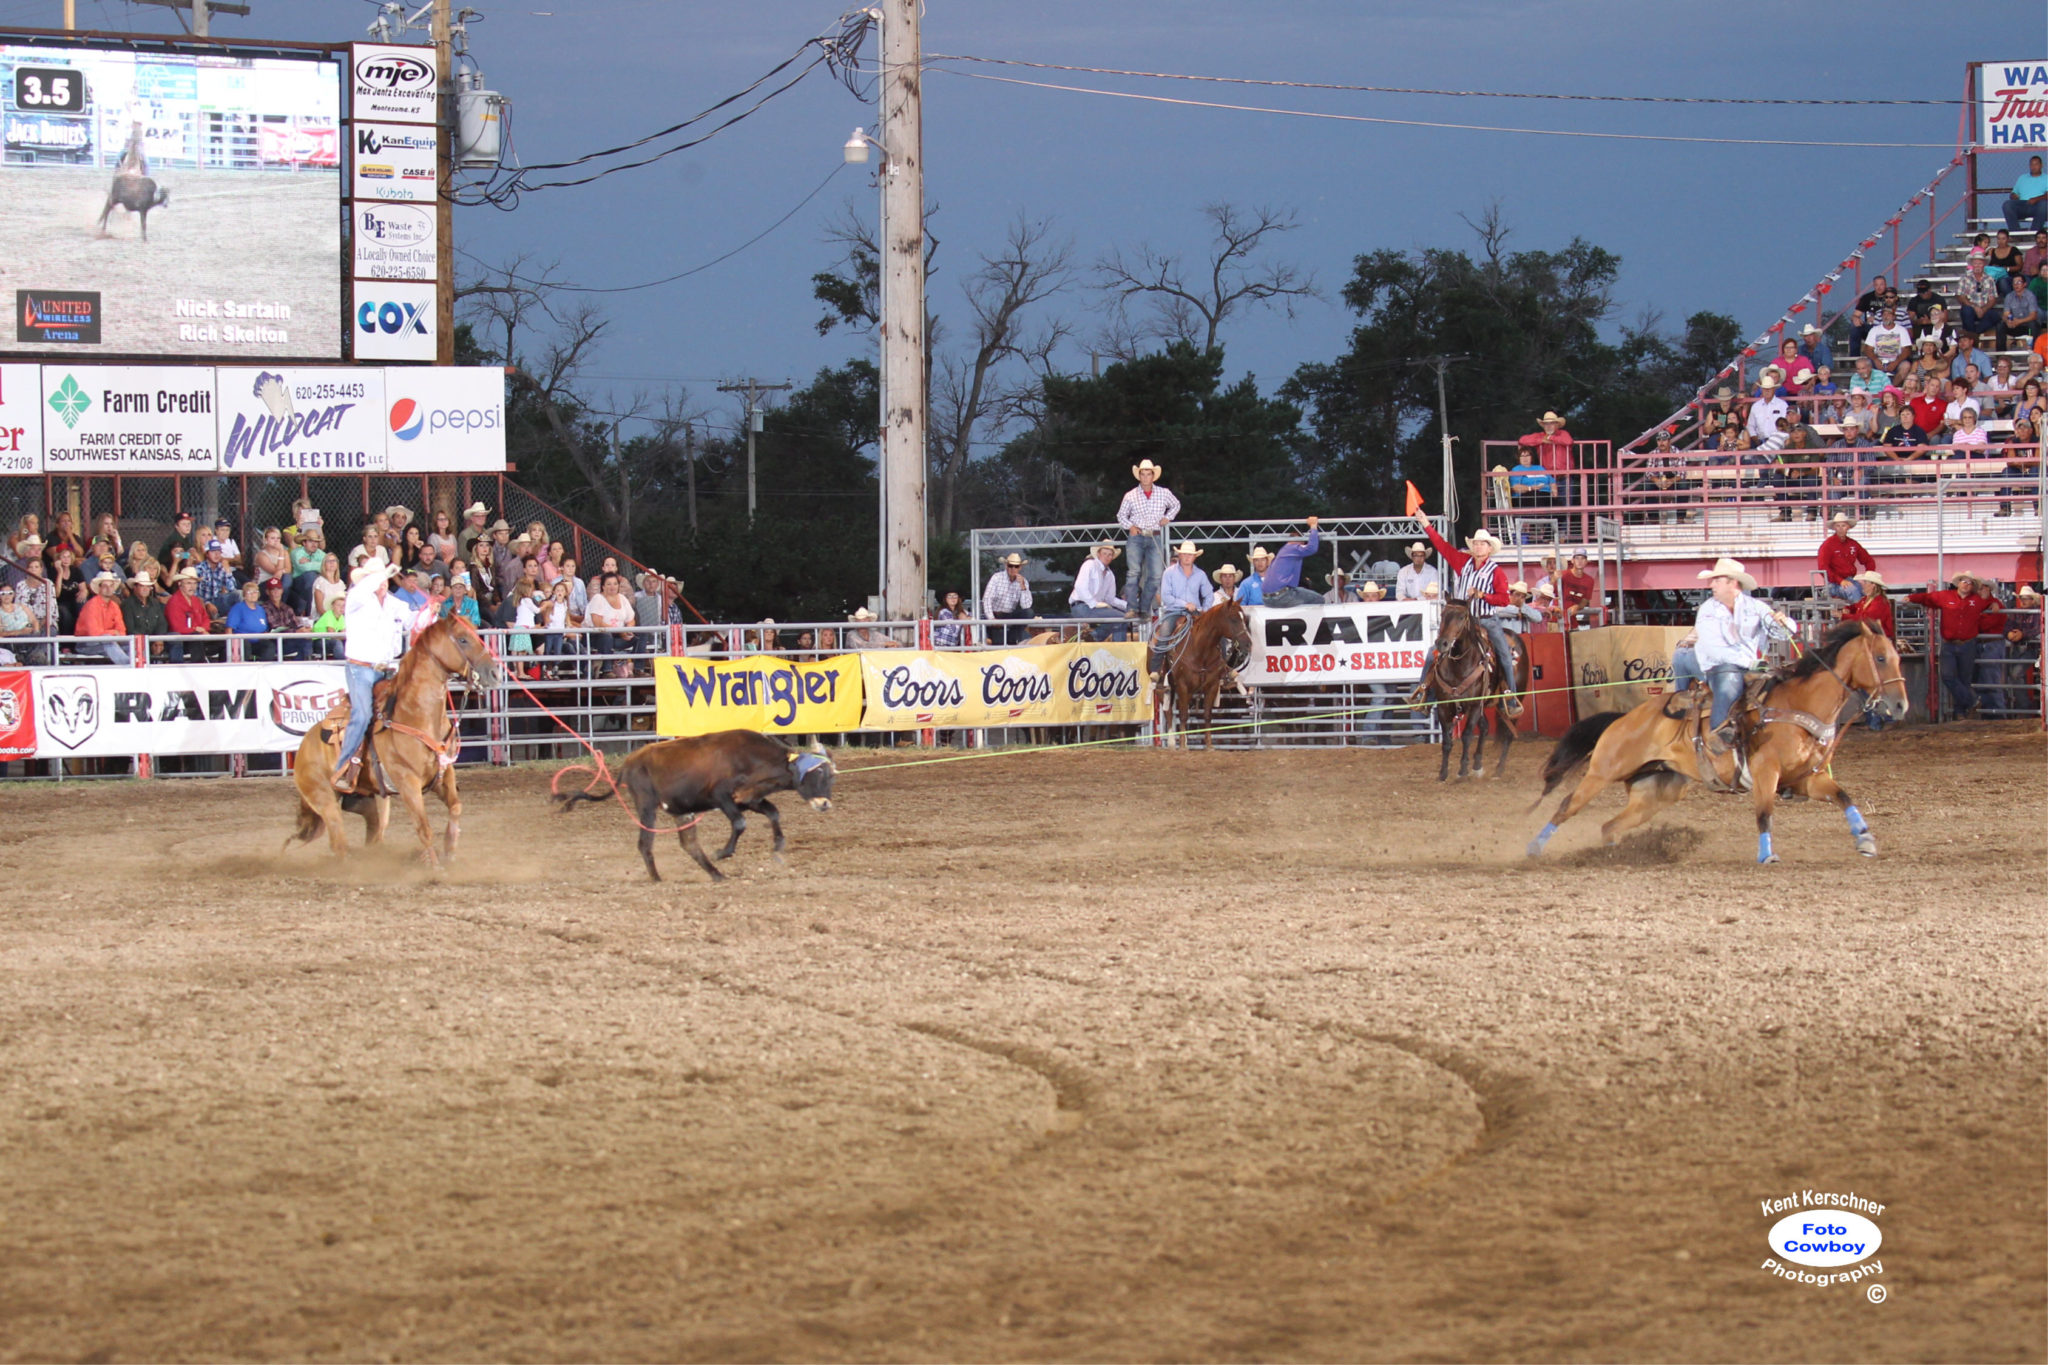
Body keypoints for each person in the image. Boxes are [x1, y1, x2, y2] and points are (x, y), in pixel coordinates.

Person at [1668, 557, 1795, 754]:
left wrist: (1784, 623)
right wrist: (1751, 662)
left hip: (1746, 664)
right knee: (1728, 679)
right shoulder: (1708, 610)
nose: (1712, 585)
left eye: (1717, 580)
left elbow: (1781, 633)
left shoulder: (1757, 607)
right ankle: (1719, 732)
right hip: (1714, 666)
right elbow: (1715, 651)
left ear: (1732, 583)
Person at [1413, 520, 1522, 717]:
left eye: (1482, 543)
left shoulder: (1496, 571)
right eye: (1476, 543)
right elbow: (1441, 545)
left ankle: (1510, 697)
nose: (1478, 546)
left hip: (1486, 619)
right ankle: (1423, 692)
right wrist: (1425, 523)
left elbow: (1504, 599)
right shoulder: (1463, 562)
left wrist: (1483, 595)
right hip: (1462, 621)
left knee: (1504, 654)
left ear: (1489, 548)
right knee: (1434, 652)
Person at [333, 560, 403, 792]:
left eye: (383, 579)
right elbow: (367, 586)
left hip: (385, 669)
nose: (382, 583)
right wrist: (383, 572)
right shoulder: (356, 597)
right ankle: (343, 767)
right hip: (359, 668)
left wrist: (430, 612)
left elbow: (415, 619)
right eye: (378, 578)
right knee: (362, 715)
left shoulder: (393, 603)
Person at [1909, 570, 2006, 719]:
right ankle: (1971, 701)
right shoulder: (1945, 596)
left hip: (1967, 644)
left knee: (1963, 678)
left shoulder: (1978, 600)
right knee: (1948, 675)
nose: (1966, 585)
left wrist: (1993, 603)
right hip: (1950, 643)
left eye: (1969, 583)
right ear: (1959, 583)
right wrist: (1911, 597)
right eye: (1964, 581)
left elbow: (1991, 602)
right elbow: (1927, 598)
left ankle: (1960, 712)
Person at [1115, 459, 1179, 617]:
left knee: (1156, 574)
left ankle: (1144, 607)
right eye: (1142, 474)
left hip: (1154, 535)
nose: (1145, 477)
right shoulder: (1130, 495)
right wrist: (1130, 526)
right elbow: (1121, 515)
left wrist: (1168, 517)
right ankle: (1131, 607)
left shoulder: (1164, 493)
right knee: (1134, 572)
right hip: (1137, 536)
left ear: (1153, 476)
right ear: (1139, 476)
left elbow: (1176, 504)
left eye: (1148, 474)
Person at [1150, 541, 1214, 679]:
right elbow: (1166, 596)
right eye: (1184, 554)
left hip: (1195, 612)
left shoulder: (1200, 574)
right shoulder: (1169, 573)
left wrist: (1205, 610)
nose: (1187, 557)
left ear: (1194, 557)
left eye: (1190, 555)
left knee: (1214, 633)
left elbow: (1209, 594)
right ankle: (1156, 670)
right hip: (1174, 611)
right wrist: (1185, 604)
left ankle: (1223, 668)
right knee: (1164, 633)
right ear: (1179, 555)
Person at [1247, 517, 1322, 607]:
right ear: (1300, 541)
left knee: (1299, 593)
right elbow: (1312, 548)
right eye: (1303, 542)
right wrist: (1313, 526)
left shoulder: (1283, 551)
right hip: (1281, 596)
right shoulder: (1294, 548)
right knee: (1319, 599)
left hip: (1266, 599)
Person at [1067, 541, 1129, 641]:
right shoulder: (1090, 564)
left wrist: (1129, 607)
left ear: (1112, 557)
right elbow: (1080, 586)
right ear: (1098, 554)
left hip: (1091, 608)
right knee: (1120, 618)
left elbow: (1110, 599)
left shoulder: (1110, 575)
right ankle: (1098, 639)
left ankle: (1092, 638)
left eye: (1110, 554)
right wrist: (1094, 603)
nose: (1107, 557)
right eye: (1104, 553)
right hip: (1081, 606)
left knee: (1119, 618)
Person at [1815, 512, 1877, 603]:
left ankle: (1864, 614)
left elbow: (1869, 561)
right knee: (1854, 591)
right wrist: (1840, 581)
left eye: (1843, 525)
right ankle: (1859, 615)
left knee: (1869, 591)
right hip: (1834, 584)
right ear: (1834, 528)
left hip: (1850, 580)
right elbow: (1823, 567)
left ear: (1848, 527)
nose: (1840, 529)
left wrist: (1868, 578)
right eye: (1838, 526)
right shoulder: (1827, 545)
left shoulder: (1853, 544)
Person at [74, 571, 133, 666]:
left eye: (111, 586)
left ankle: (138, 665)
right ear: (99, 588)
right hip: (86, 643)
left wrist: (112, 634)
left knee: (132, 643)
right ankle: (128, 666)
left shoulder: (114, 606)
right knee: (108, 640)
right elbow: (94, 634)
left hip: (108, 642)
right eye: (105, 586)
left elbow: (122, 632)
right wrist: (113, 633)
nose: (108, 589)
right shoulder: (92, 605)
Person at [982, 552, 1034, 645]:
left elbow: (1026, 606)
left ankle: (1011, 638)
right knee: (998, 644)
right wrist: (991, 618)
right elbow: (987, 598)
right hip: (996, 614)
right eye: (1011, 566)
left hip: (1010, 614)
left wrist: (1022, 587)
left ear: (1020, 568)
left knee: (1028, 612)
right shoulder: (997, 577)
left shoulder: (1023, 581)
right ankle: (1009, 639)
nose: (1013, 569)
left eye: (1016, 566)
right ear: (1006, 566)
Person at [120, 572, 168, 656]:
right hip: (138, 642)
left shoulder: (155, 603)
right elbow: (130, 629)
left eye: (148, 586)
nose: (145, 589)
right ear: (135, 587)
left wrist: (158, 639)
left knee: (174, 639)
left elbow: (162, 623)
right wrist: (148, 642)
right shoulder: (127, 604)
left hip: (154, 640)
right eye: (142, 586)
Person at [1838, 570, 1895, 639]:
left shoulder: (1879, 602)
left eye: (1865, 582)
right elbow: (1855, 607)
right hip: (1871, 635)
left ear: (1873, 585)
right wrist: (1848, 608)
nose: (1862, 584)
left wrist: (1843, 616)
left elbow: (1867, 619)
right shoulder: (1867, 599)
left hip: (1878, 637)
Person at [2006, 153, 2048, 233]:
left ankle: (2034, 233)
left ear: (2041, 165)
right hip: (2023, 204)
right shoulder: (2022, 178)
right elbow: (2013, 193)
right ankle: (2016, 234)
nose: (2033, 167)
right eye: (2031, 164)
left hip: (2038, 206)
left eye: (2036, 164)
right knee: (2007, 205)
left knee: (2043, 204)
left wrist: (2036, 199)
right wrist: (2014, 196)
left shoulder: (2046, 178)